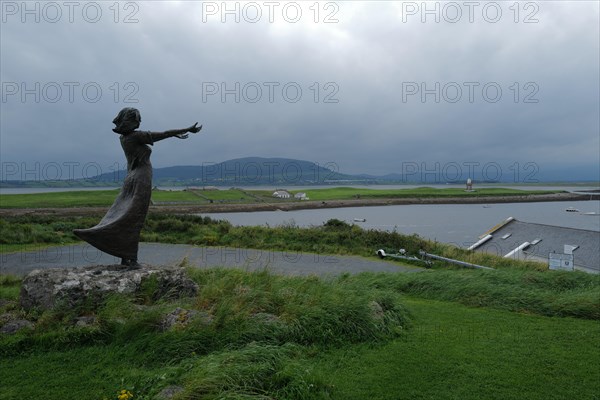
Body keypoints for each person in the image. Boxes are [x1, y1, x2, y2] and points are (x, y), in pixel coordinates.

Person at [74, 107, 202, 267]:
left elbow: (162, 135)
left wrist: (174, 134)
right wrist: (187, 129)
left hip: (131, 177)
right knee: (135, 216)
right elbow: (163, 133)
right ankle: (130, 258)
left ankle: (124, 254)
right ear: (130, 121)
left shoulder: (124, 138)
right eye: (137, 119)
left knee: (124, 212)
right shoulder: (135, 136)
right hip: (141, 178)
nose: (140, 122)